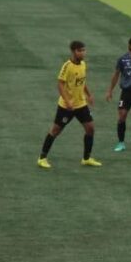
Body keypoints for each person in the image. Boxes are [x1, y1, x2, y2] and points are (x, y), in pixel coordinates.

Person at [37, 40, 101, 169]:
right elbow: (60, 84)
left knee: (90, 128)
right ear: (74, 52)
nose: (83, 53)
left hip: (81, 104)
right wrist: (67, 101)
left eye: (84, 50)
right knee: (55, 131)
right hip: (66, 107)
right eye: (80, 50)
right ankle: (42, 158)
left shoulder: (83, 64)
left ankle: (86, 158)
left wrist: (88, 94)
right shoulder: (67, 66)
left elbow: (82, 81)